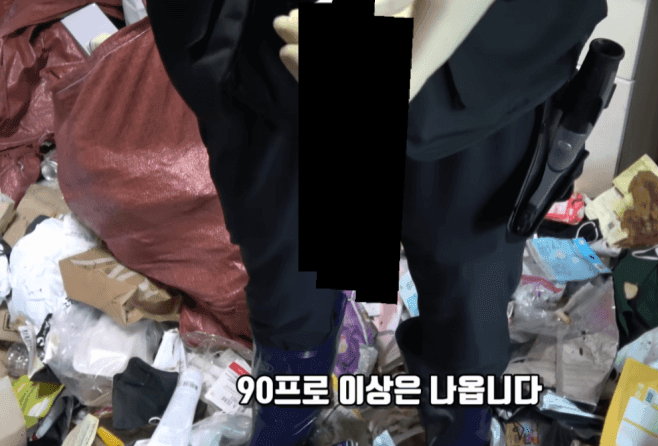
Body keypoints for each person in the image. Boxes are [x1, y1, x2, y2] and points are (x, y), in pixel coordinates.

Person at [145, 0, 607, 445]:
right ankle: (287, 427)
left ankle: (461, 432)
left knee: (468, 298)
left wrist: (420, 48)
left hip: (482, 62)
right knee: (290, 285)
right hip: (284, 46)